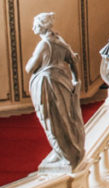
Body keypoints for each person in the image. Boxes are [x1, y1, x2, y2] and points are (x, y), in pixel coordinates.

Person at [25, 12, 86, 170]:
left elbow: (30, 68)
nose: (33, 27)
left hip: (48, 86)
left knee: (51, 119)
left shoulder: (44, 45)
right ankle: (67, 150)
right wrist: (75, 80)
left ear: (42, 26)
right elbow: (73, 61)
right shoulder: (60, 41)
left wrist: (32, 61)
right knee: (64, 118)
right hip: (62, 83)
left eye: (35, 24)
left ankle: (64, 153)